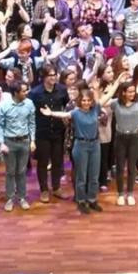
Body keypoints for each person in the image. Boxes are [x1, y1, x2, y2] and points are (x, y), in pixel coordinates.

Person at [39, 74, 123, 214]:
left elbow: (108, 96)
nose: (86, 103)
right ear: (80, 101)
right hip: (81, 146)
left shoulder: (95, 109)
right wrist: (51, 113)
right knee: (81, 176)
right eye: (83, 100)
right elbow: (64, 115)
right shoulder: (76, 112)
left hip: (95, 145)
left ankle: (92, 199)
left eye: (88, 100)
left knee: (94, 176)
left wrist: (118, 81)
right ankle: (81, 200)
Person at [28, 67, 69, 203]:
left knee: (57, 161)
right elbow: (30, 112)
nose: (53, 77)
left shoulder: (62, 90)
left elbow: (66, 105)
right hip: (42, 132)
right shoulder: (35, 93)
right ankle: (44, 189)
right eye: (50, 75)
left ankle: (56, 187)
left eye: (54, 74)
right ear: (44, 77)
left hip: (58, 131)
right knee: (43, 162)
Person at [0, 81, 36, 212]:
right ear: (16, 93)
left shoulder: (29, 104)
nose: (26, 93)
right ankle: (10, 198)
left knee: (22, 171)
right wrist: (1, 143)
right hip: (10, 142)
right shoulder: (3, 106)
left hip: (24, 141)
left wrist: (32, 140)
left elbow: (31, 123)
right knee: (10, 172)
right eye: (23, 91)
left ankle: (22, 197)